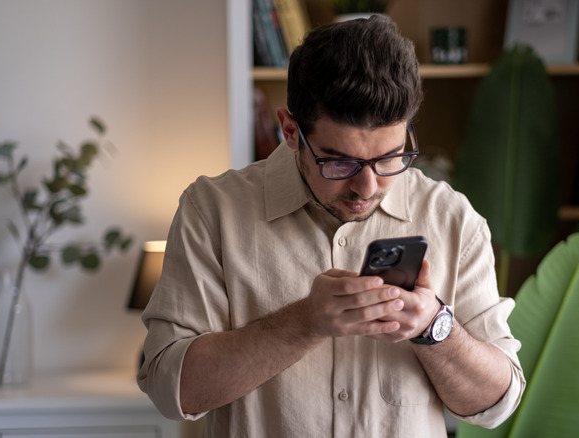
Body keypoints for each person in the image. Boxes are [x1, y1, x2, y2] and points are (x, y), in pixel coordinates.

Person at [138, 15, 525, 437]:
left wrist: (434, 327)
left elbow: (495, 405)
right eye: (340, 161)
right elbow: (171, 390)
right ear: (289, 131)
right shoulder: (212, 211)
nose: (368, 186)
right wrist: (305, 322)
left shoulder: (452, 218)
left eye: (389, 158)